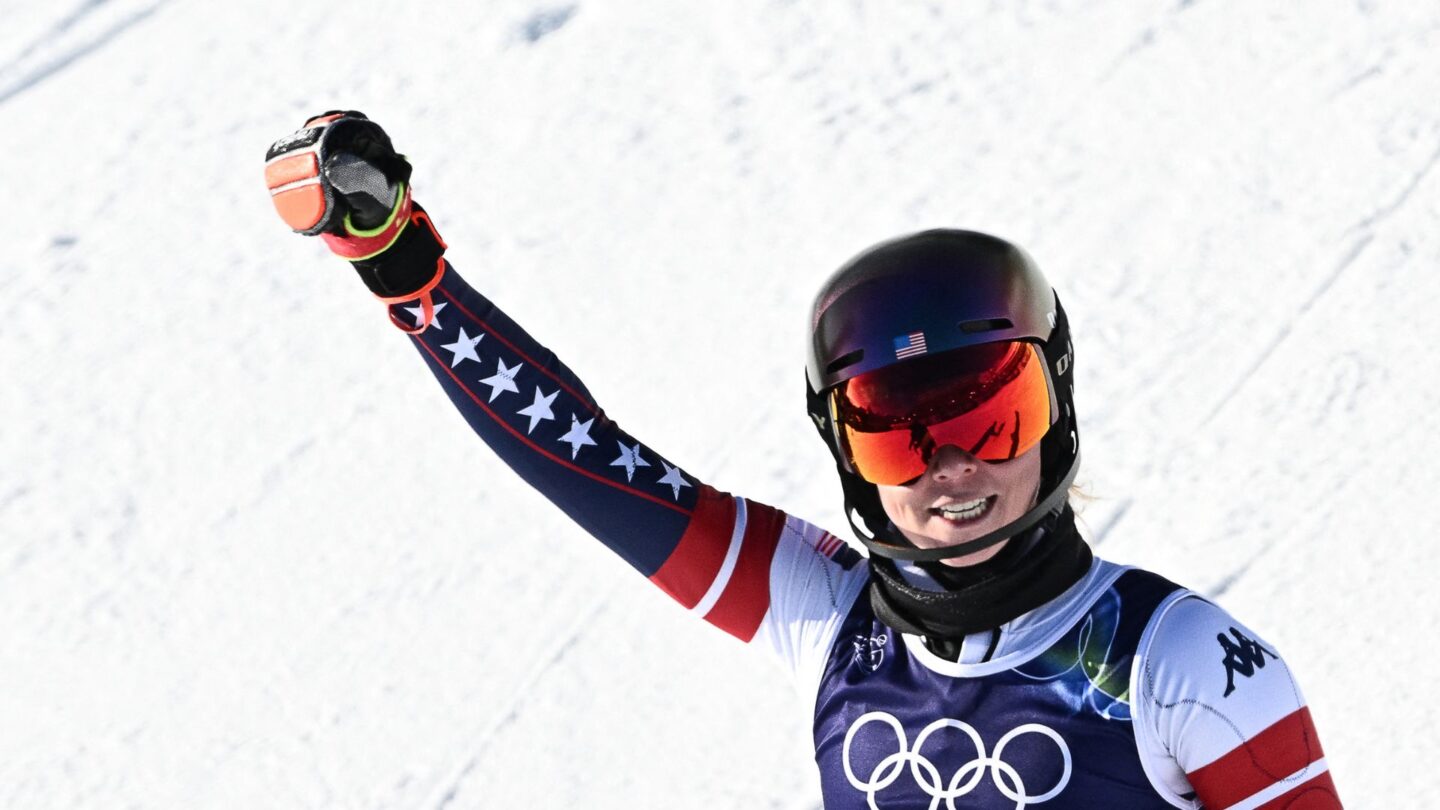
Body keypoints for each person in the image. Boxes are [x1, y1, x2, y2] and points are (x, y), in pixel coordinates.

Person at [265, 111, 1342, 808]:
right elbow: (588, 465)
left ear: (1056, 404)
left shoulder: (1184, 665)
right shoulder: (832, 618)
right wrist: (405, 270)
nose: (949, 470)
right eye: (894, 434)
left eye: (989, 416)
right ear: (845, 453)